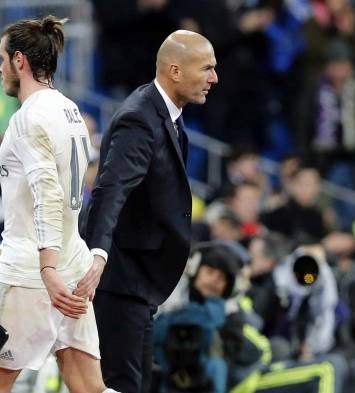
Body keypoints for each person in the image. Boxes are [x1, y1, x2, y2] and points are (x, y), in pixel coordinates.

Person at [0, 16, 118, 393]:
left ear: (20, 61)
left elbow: (48, 195)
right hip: (71, 261)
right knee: (90, 387)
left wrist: (46, 268)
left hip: (33, 273)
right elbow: (38, 204)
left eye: (2, 58)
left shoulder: (28, 118)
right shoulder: (71, 112)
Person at [80, 30, 218, 392]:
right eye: (206, 68)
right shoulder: (140, 118)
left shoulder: (167, 115)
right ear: (175, 71)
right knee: (121, 385)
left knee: (137, 385)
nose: (213, 78)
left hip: (139, 284)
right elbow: (110, 189)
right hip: (120, 282)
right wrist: (97, 254)